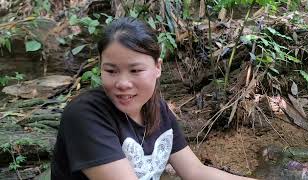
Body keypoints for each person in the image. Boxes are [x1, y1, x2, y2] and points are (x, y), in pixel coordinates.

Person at [51, 17, 255, 180]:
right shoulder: (85, 115)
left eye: (135, 70)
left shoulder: (157, 109)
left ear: (157, 68)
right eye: (111, 71)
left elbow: (195, 172)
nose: (123, 83)